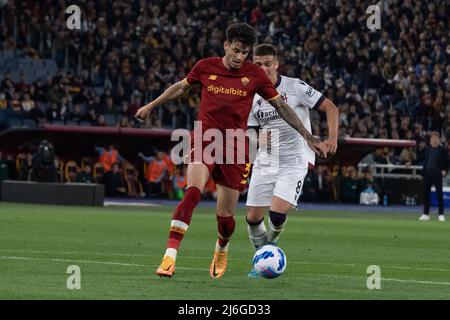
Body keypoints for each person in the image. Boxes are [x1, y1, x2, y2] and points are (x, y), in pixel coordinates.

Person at [135, 23, 328, 279]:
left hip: (235, 147)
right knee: (192, 192)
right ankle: (170, 256)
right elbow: (181, 87)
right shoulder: (205, 66)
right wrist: (151, 105)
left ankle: (221, 248)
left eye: (245, 53)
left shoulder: (254, 75)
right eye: (236, 50)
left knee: (226, 219)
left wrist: (307, 135)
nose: (240, 57)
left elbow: (281, 107)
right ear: (226, 45)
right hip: (206, 138)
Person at [244, 44, 339, 277]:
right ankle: (263, 258)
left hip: (294, 159)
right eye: (258, 64)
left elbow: (330, 107)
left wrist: (332, 139)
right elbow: (249, 130)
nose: (263, 68)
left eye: (267, 63)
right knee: (253, 218)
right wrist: (257, 139)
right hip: (267, 160)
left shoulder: (295, 86)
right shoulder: (250, 95)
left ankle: (269, 251)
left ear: (276, 64)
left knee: (276, 214)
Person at [418, 132, 449, 221]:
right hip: (427, 174)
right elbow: (420, 158)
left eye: (436, 138)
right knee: (426, 194)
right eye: (432, 138)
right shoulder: (427, 149)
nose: (434, 139)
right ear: (430, 139)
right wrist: (410, 162)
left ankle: (441, 214)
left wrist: (445, 170)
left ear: (438, 139)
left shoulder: (442, 150)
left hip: (437, 174)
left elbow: (447, 162)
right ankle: (426, 214)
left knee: (439, 194)